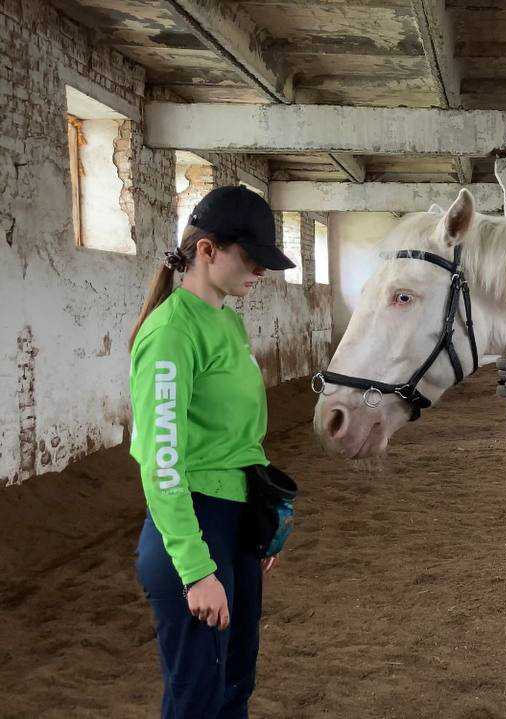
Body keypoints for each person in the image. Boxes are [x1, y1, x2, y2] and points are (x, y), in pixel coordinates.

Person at [128, 185, 296, 719]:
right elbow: (162, 461)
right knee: (197, 700)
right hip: (193, 524)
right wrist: (197, 570)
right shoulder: (172, 333)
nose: (261, 271)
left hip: (232, 518)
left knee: (233, 688)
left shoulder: (227, 320)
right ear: (207, 251)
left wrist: (257, 517)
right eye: (250, 257)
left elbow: (236, 435)